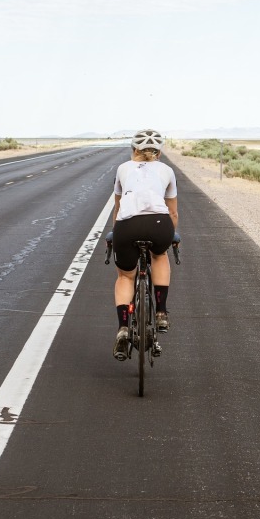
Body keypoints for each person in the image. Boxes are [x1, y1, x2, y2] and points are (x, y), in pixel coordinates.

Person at [110, 129, 178, 361]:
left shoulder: (123, 168)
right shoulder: (167, 170)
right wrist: (170, 235)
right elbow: (173, 212)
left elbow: (118, 208)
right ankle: (161, 313)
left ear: (133, 149)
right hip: (159, 223)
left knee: (125, 276)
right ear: (159, 152)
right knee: (159, 255)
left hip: (127, 225)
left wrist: (115, 234)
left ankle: (123, 328)